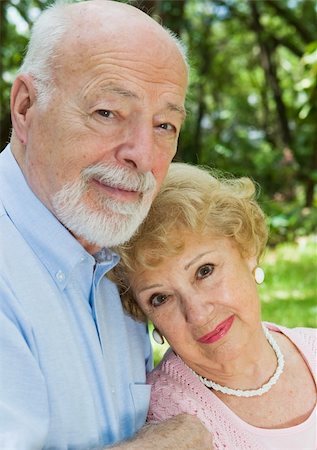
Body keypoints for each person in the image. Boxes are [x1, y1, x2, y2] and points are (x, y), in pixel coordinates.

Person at [0, 1, 212, 449]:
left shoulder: (122, 261)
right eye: (107, 113)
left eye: (164, 125)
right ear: (25, 108)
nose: (141, 153)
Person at [111, 162, 317, 450]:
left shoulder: (312, 347)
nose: (197, 313)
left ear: (246, 250)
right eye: (161, 298)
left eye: (204, 271)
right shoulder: (171, 422)